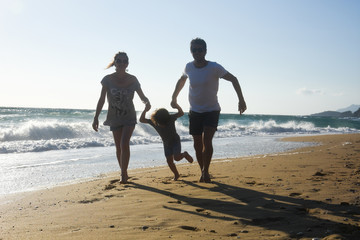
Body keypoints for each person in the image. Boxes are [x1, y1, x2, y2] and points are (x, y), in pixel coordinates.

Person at [171, 38, 247, 183]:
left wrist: (241, 100)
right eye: (194, 50)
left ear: (205, 51)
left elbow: (234, 79)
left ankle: (206, 171)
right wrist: (174, 98)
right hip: (194, 111)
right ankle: (203, 170)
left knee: (207, 141)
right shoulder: (189, 67)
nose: (197, 52)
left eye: (200, 50)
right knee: (197, 144)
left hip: (212, 110)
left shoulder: (214, 67)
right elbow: (181, 80)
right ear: (191, 51)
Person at [92, 51, 150, 184]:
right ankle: (124, 170)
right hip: (114, 116)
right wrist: (96, 117)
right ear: (115, 63)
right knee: (118, 146)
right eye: (119, 61)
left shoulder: (133, 79)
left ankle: (123, 174)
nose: (122, 63)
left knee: (124, 143)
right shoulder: (107, 79)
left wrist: (147, 103)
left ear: (127, 63)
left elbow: (142, 97)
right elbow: (101, 99)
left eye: (125, 61)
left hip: (129, 116)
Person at [139, 103, 193, 180]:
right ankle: (176, 174)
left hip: (175, 140)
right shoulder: (154, 122)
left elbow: (181, 113)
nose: (162, 125)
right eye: (160, 123)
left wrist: (177, 105)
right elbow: (141, 120)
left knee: (177, 158)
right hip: (166, 143)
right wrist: (145, 110)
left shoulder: (171, 118)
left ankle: (184, 154)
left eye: (164, 123)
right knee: (169, 161)